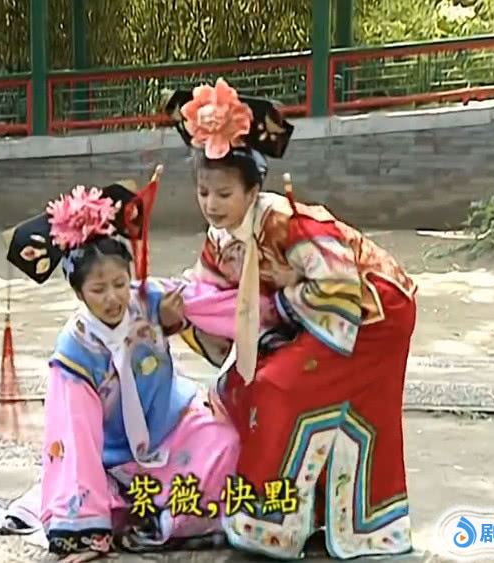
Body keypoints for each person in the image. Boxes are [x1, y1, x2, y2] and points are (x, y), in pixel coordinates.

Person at [161, 79, 419, 560]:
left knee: (279, 386)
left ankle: (272, 525)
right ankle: (302, 511)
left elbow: (339, 289)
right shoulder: (220, 241)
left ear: (253, 189)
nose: (212, 205)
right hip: (312, 314)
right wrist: (175, 317)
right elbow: (211, 307)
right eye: (203, 192)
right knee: (236, 388)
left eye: (224, 193)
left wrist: (280, 301)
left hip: (370, 313)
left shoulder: (289, 221)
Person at [0, 171, 240, 561]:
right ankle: (133, 519)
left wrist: (277, 305)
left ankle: (167, 515)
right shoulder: (75, 351)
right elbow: (77, 440)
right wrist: (87, 533)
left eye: (120, 284)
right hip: (113, 457)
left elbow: (211, 301)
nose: (113, 298)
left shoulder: (147, 298)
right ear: (79, 292)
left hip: (172, 427)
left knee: (228, 444)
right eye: (98, 290)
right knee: (104, 501)